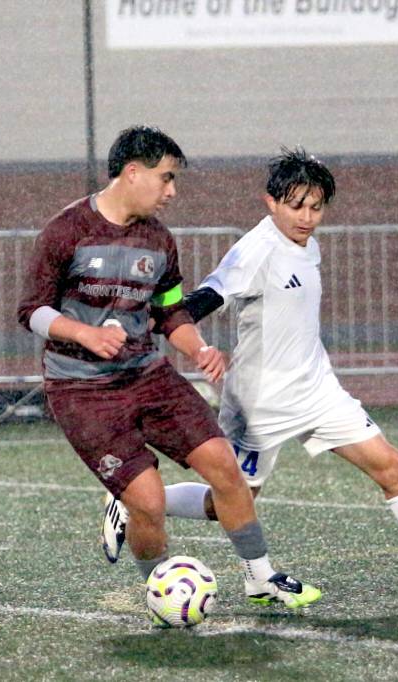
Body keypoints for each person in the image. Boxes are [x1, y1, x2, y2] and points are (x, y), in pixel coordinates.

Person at [104, 147, 398, 604]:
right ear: (271, 201)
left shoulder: (308, 245)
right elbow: (208, 295)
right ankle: (137, 502)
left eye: (316, 207)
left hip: (318, 391)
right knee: (230, 500)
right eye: (296, 206)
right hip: (260, 403)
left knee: (393, 467)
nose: (306, 218)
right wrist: (159, 328)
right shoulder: (257, 249)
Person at [17, 125, 321, 610]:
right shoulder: (66, 231)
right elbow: (31, 310)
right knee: (149, 502)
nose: (171, 191)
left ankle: (261, 578)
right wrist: (85, 334)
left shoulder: (159, 240)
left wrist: (198, 349)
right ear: (132, 173)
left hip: (149, 375)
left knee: (225, 467)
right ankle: (159, 592)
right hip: (82, 391)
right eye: (166, 178)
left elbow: (169, 311)